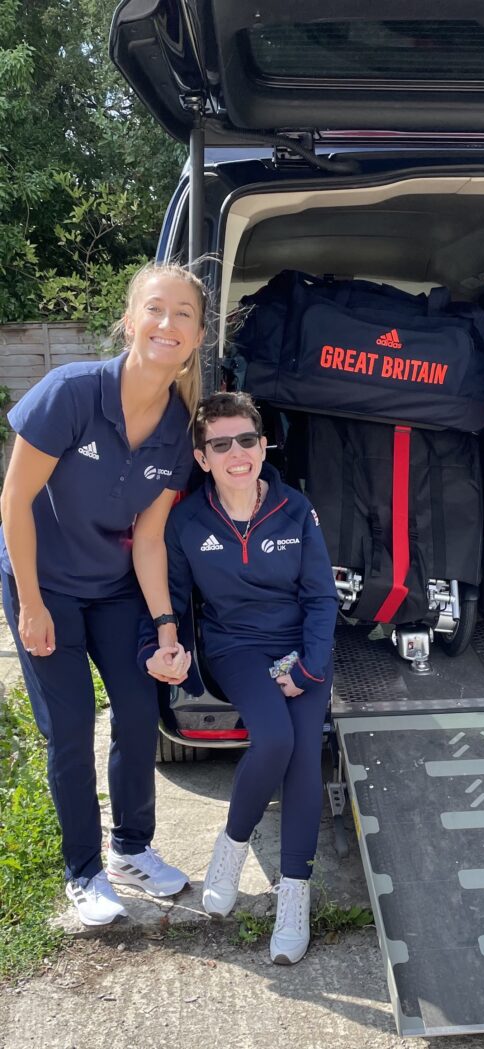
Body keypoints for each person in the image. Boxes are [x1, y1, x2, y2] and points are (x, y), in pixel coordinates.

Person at [0, 262, 206, 926]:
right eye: (155, 308)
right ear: (130, 319)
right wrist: (29, 605)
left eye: (183, 313)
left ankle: (132, 849)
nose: (167, 323)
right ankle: (83, 871)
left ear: (199, 335)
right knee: (68, 731)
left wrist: (167, 629)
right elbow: (15, 500)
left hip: (114, 587)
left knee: (140, 713)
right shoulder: (72, 392)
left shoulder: (180, 427)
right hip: (44, 582)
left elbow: (148, 541)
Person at [140, 391, 338, 964]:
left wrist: (310, 666)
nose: (236, 453)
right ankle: (231, 845)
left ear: (263, 443)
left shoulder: (296, 509)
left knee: (303, 756)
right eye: (220, 444)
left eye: (246, 440)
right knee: (275, 738)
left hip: (299, 646)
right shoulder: (186, 520)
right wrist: (163, 648)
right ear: (202, 457)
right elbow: (172, 601)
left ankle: (293, 894)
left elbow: (321, 597)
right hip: (236, 649)